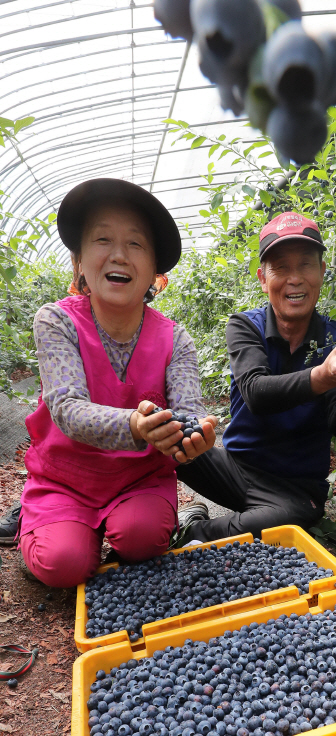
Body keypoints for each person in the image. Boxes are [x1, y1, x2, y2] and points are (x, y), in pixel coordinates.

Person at [10, 177, 216, 587]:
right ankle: (37, 525)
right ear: (79, 261)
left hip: (138, 478)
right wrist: (136, 426)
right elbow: (67, 409)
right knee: (62, 564)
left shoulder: (175, 339)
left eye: (136, 244)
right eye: (102, 240)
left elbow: (191, 410)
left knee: (143, 541)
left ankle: (120, 526)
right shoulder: (56, 321)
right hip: (65, 479)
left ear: (155, 271)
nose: (119, 255)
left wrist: (194, 437)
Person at [175, 210, 336, 542]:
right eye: (281, 268)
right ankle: (157, 518)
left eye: (306, 264)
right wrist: (324, 375)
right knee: (165, 437)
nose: (295, 278)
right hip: (233, 470)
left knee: (290, 521)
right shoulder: (245, 326)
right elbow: (256, 393)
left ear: (322, 272)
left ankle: (191, 529)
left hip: (294, 490)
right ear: (264, 279)